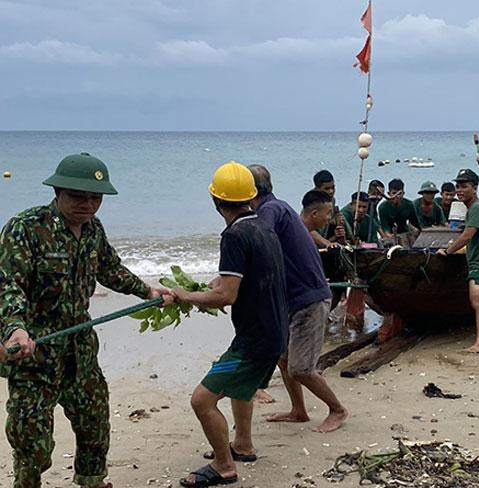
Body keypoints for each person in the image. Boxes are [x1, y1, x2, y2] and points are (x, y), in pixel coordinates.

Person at [0, 152, 174, 488]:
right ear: (58, 193)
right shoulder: (26, 228)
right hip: (35, 353)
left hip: (80, 352)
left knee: (94, 423)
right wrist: (15, 329)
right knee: (31, 443)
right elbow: (8, 285)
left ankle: (93, 481)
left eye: (95, 198)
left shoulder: (93, 230)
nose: (88, 205)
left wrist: (147, 292)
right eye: (79, 196)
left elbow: (110, 269)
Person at [173, 161, 288, 487]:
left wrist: (186, 296)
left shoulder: (234, 235)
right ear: (251, 198)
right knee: (242, 388)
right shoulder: (263, 227)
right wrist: (220, 281)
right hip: (276, 332)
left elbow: (226, 296)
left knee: (202, 401)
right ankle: (243, 445)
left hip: (255, 341)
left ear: (215, 201)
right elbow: (250, 276)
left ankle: (224, 467)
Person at [247, 166, 348, 433]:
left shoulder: (269, 211)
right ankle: (299, 411)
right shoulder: (276, 208)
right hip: (293, 299)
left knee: (301, 368)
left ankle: (338, 410)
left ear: (250, 191)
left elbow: (260, 246)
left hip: (309, 300)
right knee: (283, 358)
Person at [437, 169, 479, 353]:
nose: (459, 190)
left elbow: (467, 236)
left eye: (464, 186)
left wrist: (448, 251)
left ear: (475, 188)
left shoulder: (477, 208)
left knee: (478, 302)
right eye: (457, 186)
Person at [309, 170, 351, 247]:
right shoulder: (311, 202)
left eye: (333, 187)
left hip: (326, 236)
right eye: (327, 188)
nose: (331, 191)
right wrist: (327, 244)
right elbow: (309, 229)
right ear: (317, 189)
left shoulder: (332, 200)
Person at [378, 178, 420, 247]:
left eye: (399, 194)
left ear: (403, 194)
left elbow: (416, 224)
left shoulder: (409, 205)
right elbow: (386, 229)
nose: (396, 196)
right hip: (390, 235)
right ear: (389, 194)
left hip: (405, 233)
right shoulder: (383, 207)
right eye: (394, 193)